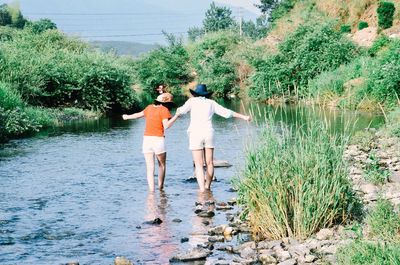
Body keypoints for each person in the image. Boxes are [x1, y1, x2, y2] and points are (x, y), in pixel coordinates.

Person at [176, 84, 250, 192]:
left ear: (195, 93)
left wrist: (177, 110)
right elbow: (227, 113)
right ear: (206, 94)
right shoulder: (211, 103)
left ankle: (202, 190)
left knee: (199, 164)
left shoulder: (192, 101)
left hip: (195, 133)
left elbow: (180, 111)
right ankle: (208, 187)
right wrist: (244, 117)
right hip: (209, 133)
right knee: (209, 163)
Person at [122, 93, 179, 192]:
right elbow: (166, 126)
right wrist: (177, 116)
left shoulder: (148, 108)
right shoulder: (164, 110)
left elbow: (137, 115)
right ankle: (160, 188)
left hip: (147, 140)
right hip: (158, 140)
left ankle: (151, 191)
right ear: (167, 103)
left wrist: (127, 116)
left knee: (149, 167)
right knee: (162, 165)